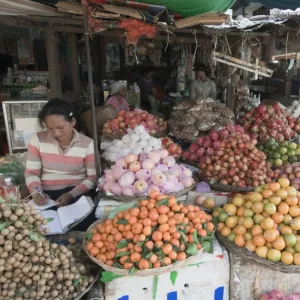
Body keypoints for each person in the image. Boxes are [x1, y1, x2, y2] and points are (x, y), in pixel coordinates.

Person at [25, 98, 97, 207]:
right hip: (45, 194)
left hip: (77, 193)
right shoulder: (37, 140)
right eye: (50, 128)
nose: (57, 133)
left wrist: (71, 194)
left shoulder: (87, 144)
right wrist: (37, 193)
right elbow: (31, 172)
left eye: (60, 127)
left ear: (72, 121)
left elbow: (92, 178)